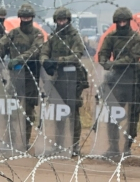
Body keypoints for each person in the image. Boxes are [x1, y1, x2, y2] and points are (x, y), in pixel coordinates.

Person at [97, 6, 140, 155]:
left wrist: (114, 64)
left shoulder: (136, 38)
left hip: (133, 80)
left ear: (128, 21)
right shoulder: (111, 37)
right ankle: (113, 147)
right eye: (119, 22)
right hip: (116, 81)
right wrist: (105, 63)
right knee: (113, 114)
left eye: (124, 21)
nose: (122, 24)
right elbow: (103, 53)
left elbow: (133, 58)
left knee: (132, 117)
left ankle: (127, 146)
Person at [41, 7, 89, 154]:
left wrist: (57, 61)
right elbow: (44, 52)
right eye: (59, 20)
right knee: (58, 113)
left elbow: (76, 55)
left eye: (64, 20)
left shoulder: (74, 36)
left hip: (73, 78)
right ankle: (59, 143)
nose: (61, 23)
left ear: (68, 20)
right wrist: (45, 62)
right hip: (58, 78)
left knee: (72, 112)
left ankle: (74, 145)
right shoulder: (54, 37)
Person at [0, 3, 43, 144]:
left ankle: (24, 140)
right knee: (12, 107)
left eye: (28, 17)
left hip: (31, 76)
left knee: (28, 109)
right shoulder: (13, 33)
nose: (25, 19)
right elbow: (1, 46)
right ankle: (11, 137)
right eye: (23, 17)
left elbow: (35, 50)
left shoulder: (37, 34)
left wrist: (19, 59)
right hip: (15, 76)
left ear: (32, 17)